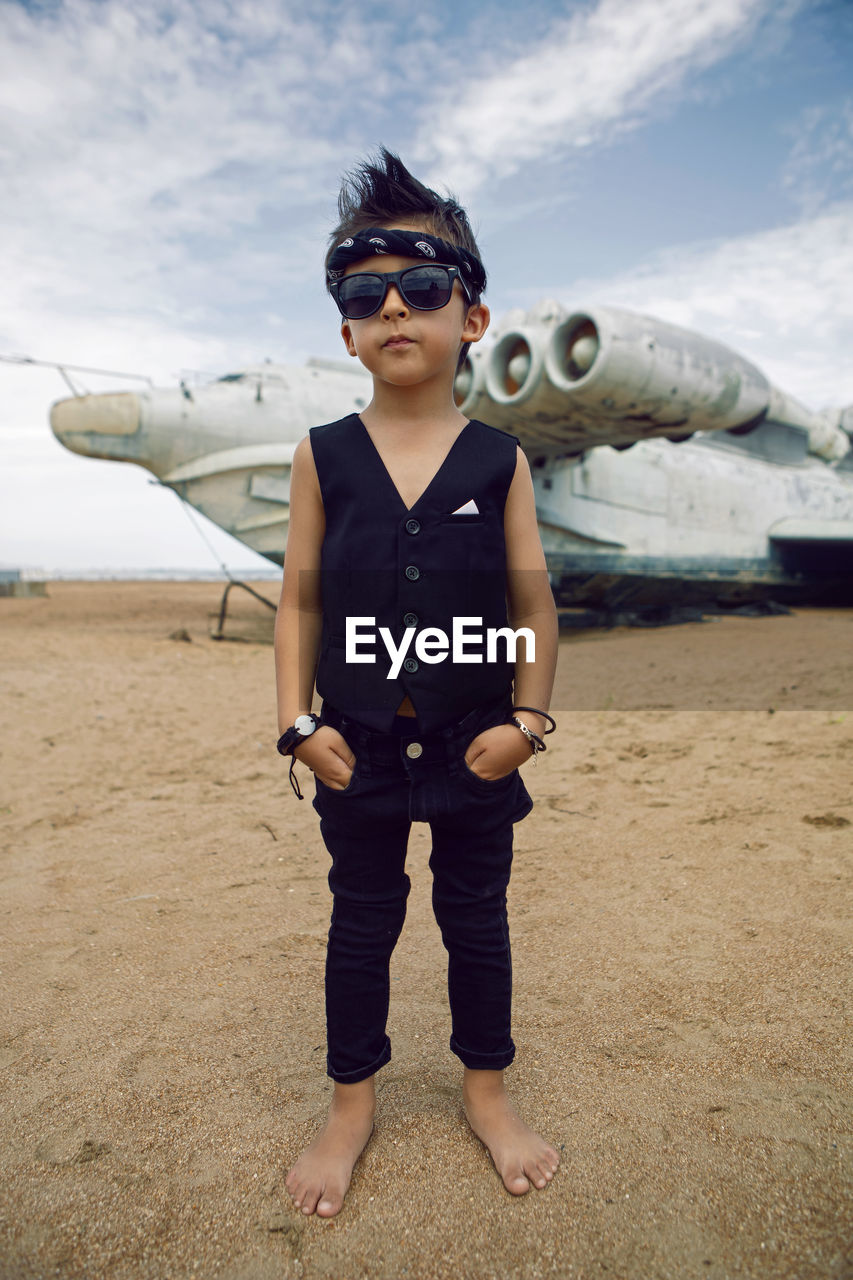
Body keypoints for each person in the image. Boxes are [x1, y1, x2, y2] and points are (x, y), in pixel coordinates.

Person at [274, 148, 560, 1218]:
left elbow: (534, 604)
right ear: (345, 328)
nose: (395, 306)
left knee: (476, 917)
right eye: (365, 294)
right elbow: (298, 602)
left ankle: (486, 1091)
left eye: (423, 286)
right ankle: (351, 1104)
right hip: (351, 740)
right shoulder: (320, 455)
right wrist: (296, 722)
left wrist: (527, 719)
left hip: (476, 738)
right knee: (362, 919)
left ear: (470, 317)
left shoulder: (500, 459)